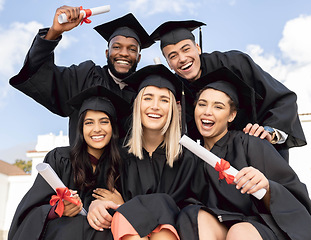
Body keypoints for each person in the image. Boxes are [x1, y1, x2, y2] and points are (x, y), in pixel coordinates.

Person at [176, 67, 311, 240]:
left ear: (231, 115)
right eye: (202, 104)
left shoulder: (250, 142)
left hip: (258, 228)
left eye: (218, 106)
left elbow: (294, 197)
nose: (207, 111)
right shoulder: (192, 154)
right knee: (195, 216)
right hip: (217, 226)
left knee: (239, 231)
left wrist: (267, 187)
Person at [150, 20, 306, 161]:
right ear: (169, 63)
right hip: (216, 163)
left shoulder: (235, 64)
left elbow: (282, 98)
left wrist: (270, 132)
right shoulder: (176, 90)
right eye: (173, 56)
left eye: (186, 49)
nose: (182, 59)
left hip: (260, 152)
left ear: (197, 48)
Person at [87, 64, 204, 240]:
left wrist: (128, 206)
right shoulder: (117, 154)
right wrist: (95, 206)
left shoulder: (188, 157)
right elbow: (103, 199)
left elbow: (192, 211)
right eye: (148, 98)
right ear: (137, 104)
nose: (155, 106)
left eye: (164, 100)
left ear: (174, 108)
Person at [9, 6, 154, 144]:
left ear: (139, 57)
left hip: (130, 169)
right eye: (116, 47)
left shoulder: (146, 91)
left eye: (132, 49)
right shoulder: (85, 76)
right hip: (83, 168)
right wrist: (54, 32)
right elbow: (38, 71)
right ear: (107, 53)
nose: (123, 53)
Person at [8, 85, 131, 240]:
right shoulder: (60, 159)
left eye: (104, 121)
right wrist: (58, 210)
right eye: (89, 123)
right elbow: (31, 211)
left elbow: (138, 212)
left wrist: (121, 204)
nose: (97, 129)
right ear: (81, 128)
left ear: (113, 127)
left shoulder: (125, 164)